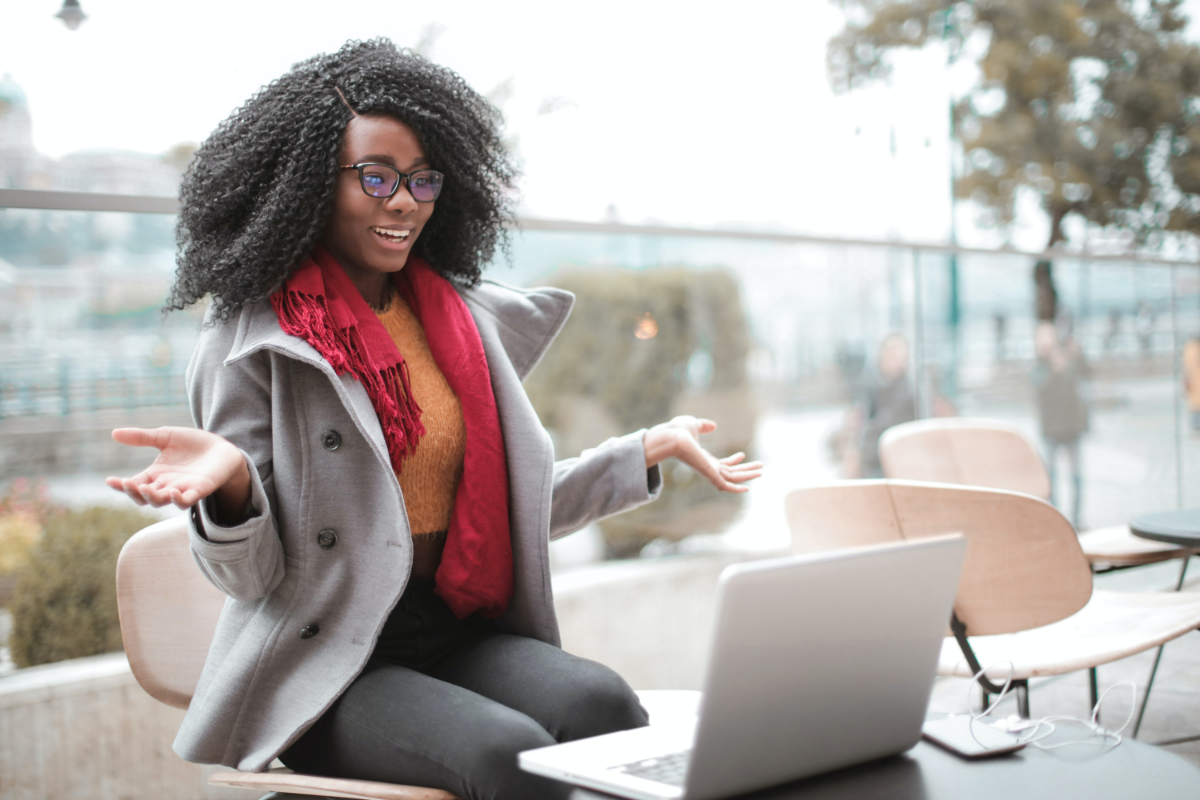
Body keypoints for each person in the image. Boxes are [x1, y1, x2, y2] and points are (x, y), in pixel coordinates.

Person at [105, 40, 761, 800]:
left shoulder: (456, 322)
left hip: (452, 626)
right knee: (509, 755)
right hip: (333, 659)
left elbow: (502, 512)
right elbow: (254, 577)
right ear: (310, 184)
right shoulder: (251, 345)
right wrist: (230, 493)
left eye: (421, 179)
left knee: (604, 706)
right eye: (375, 177)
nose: (404, 201)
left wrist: (641, 452)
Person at [1032, 321, 1089, 527]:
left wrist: (1077, 354)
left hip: (1072, 427)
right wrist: (1055, 368)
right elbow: (1041, 388)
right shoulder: (1039, 364)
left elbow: (1086, 373)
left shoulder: (1067, 357)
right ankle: (1057, 521)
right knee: (1051, 478)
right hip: (1051, 430)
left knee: (1076, 477)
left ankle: (1077, 519)